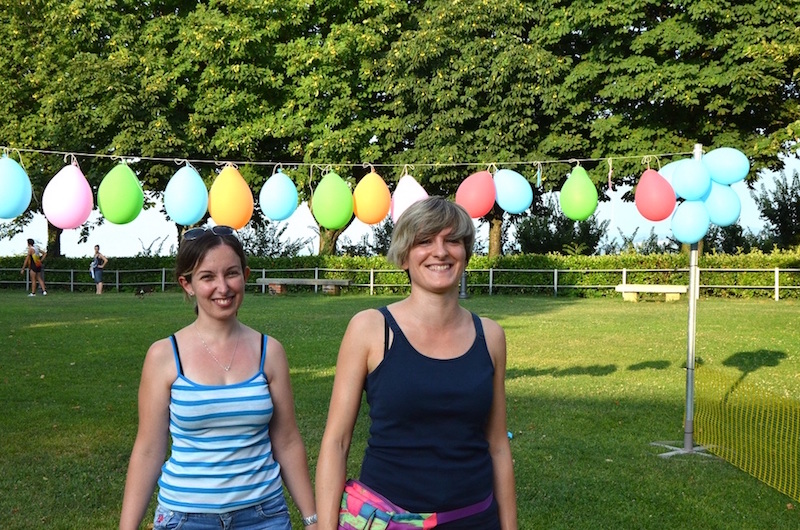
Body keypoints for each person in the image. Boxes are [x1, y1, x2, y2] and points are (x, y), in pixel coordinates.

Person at [316, 197, 518, 530]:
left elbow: (497, 446)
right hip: (389, 520)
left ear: (466, 253)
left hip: (474, 520)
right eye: (424, 241)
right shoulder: (370, 329)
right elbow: (336, 443)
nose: (440, 251)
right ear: (403, 257)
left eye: (452, 240)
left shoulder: (491, 336)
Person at [120, 225, 317, 530]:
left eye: (231, 273)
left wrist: (312, 519)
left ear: (245, 276)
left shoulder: (270, 351)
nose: (222, 287)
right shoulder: (164, 355)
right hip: (185, 518)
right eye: (207, 277)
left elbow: (287, 441)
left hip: (264, 516)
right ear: (187, 284)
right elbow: (148, 450)